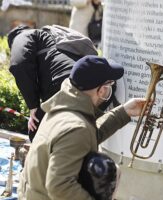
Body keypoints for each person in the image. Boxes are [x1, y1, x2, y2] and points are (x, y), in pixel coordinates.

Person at [17, 55, 147, 200]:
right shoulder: (77, 129)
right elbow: (60, 186)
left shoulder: (64, 107)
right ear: (102, 90)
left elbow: (87, 136)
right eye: (109, 85)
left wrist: (124, 112)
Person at [7, 25, 83, 141]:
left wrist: (33, 106)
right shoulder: (49, 35)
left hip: (63, 83)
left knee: (36, 132)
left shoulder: (22, 36)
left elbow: (19, 65)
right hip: (87, 81)